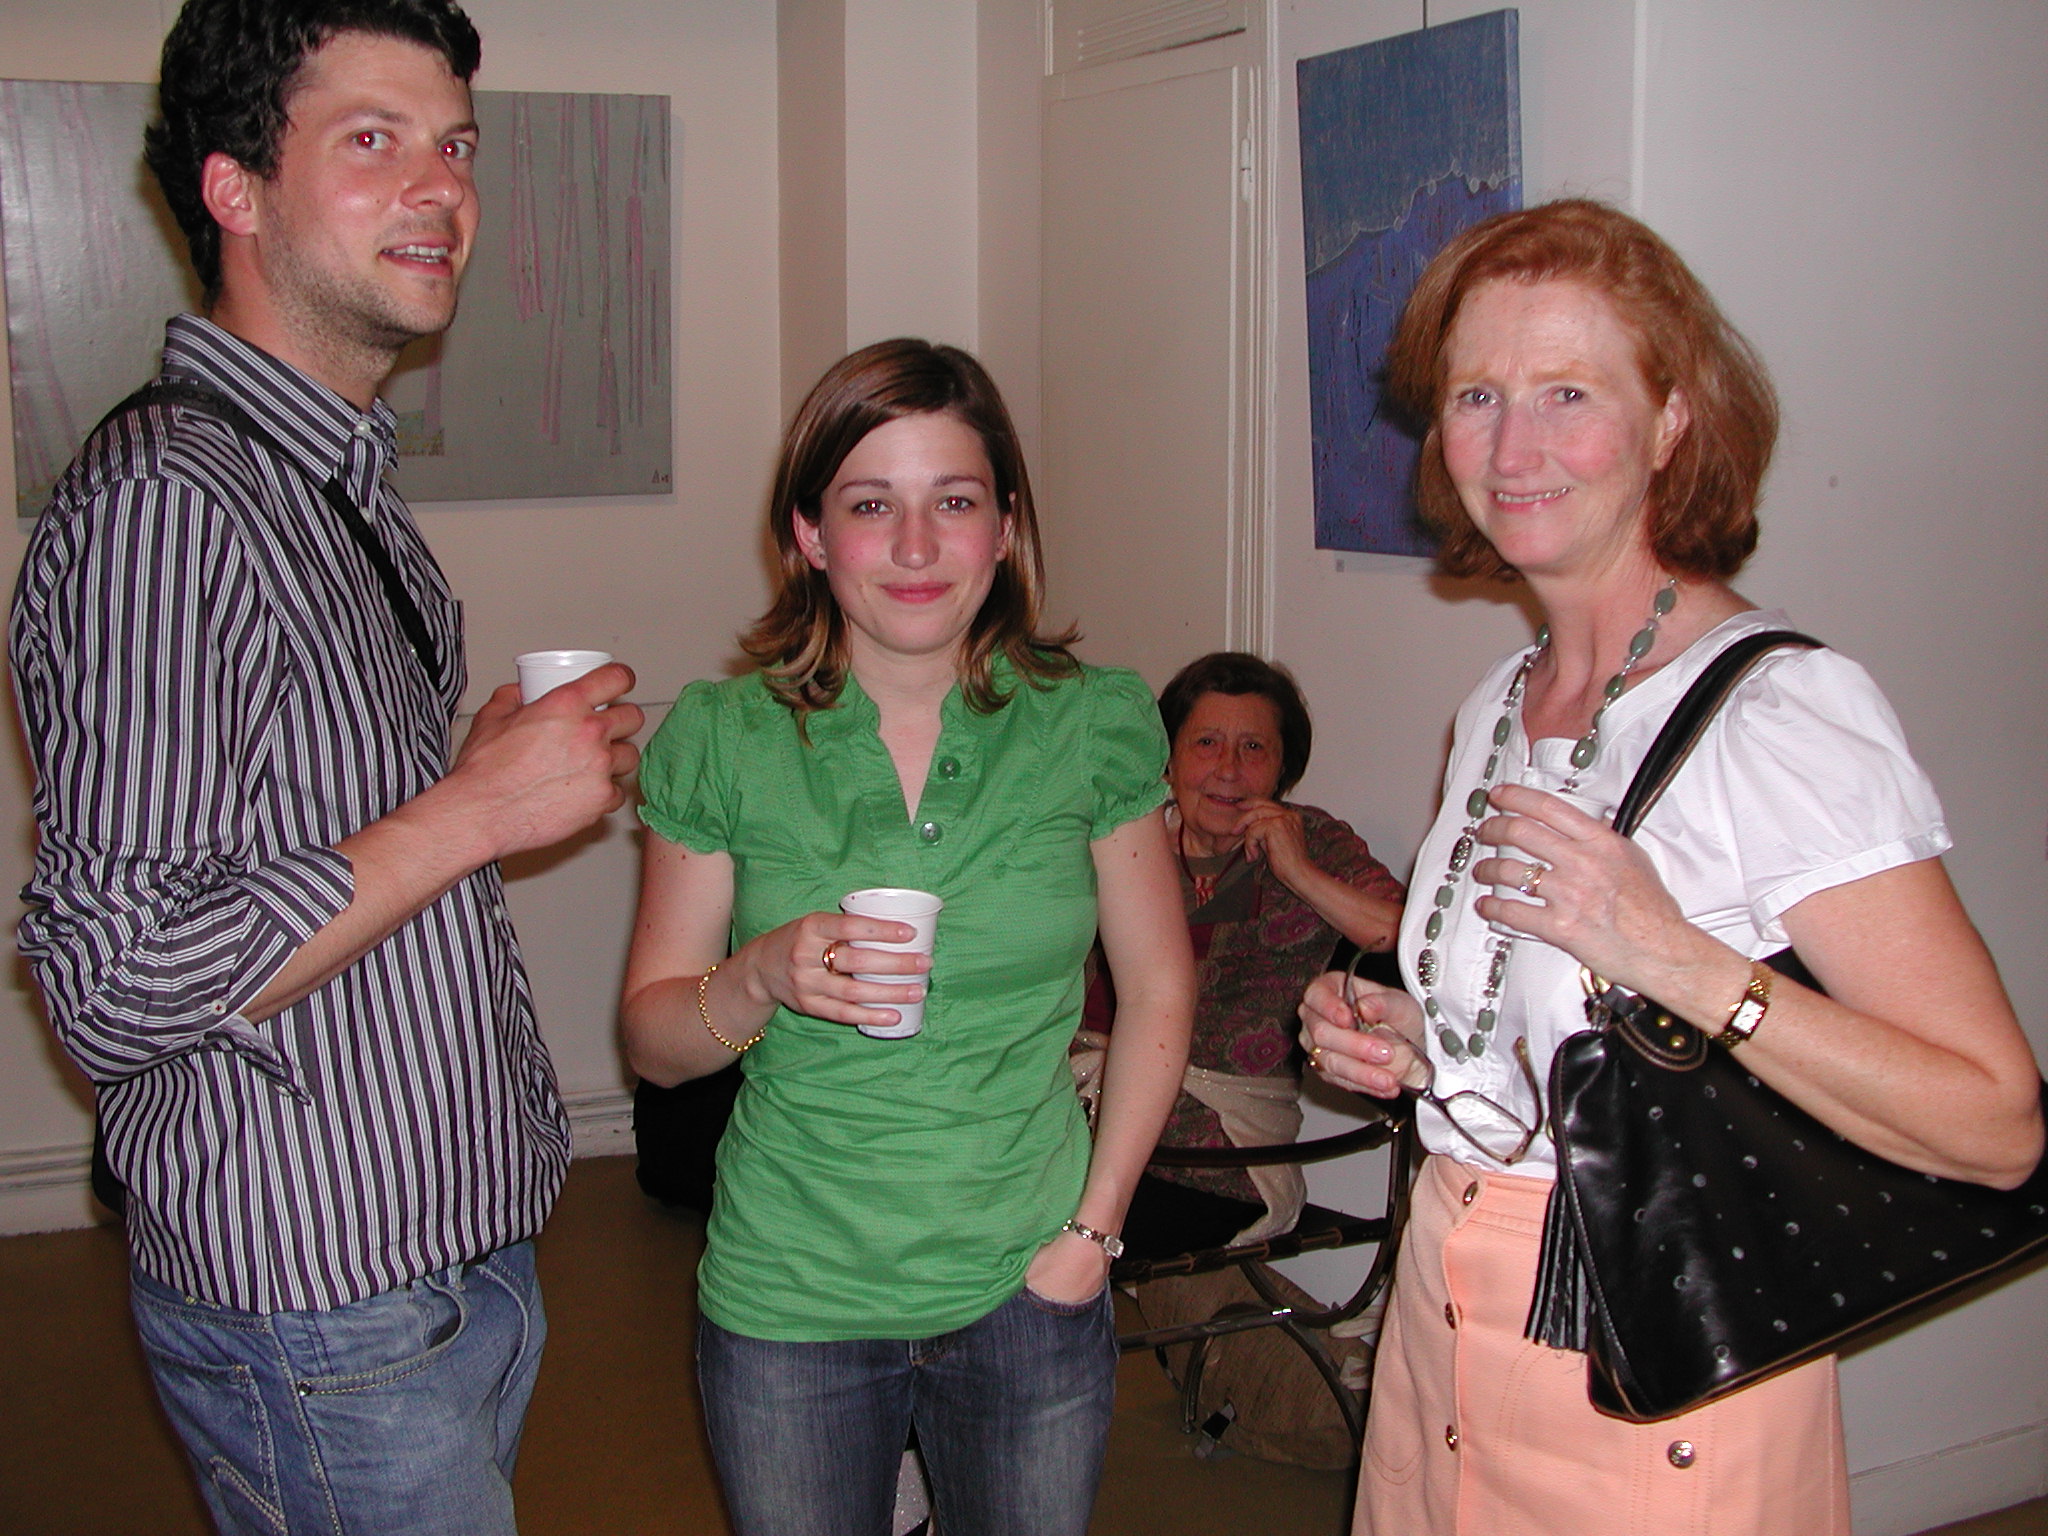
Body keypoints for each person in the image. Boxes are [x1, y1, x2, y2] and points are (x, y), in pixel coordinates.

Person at [1297, 199, 2042, 1536]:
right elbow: (1557, 1039)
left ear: (1671, 422)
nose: (1512, 448)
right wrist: (1419, 1038)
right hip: (1439, 1298)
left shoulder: (1780, 714)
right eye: (1475, 396)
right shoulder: (1498, 702)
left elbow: (1994, 1126)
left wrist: (1675, 959)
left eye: (1567, 393)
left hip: (1646, 1346)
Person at [8, 3, 643, 1532]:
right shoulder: (169, 503)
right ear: (233, 187)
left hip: (437, 1252)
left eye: (457, 146)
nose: (442, 189)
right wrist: (474, 809)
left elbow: (293, 836)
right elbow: (115, 977)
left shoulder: (331, 469)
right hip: (318, 1300)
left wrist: (462, 783)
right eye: (373, 139)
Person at [620, 338, 1195, 1536]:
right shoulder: (723, 737)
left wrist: (1092, 1234)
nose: (919, 548)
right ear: (809, 534)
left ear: (1006, 526)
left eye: (956, 502)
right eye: (872, 505)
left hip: (1028, 1281)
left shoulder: (1092, 723)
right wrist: (759, 974)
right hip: (790, 1294)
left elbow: (1156, 990)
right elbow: (656, 1047)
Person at [1074, 651, 1404, 1259]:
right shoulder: (1126, 835)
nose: (1228, 769)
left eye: (1254, 748)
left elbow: (1411, 940)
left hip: (1222, 1159)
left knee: (1035, 1226)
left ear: (1282, 768)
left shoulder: (1313, 839)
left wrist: (1298, 873)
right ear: (1168, 759)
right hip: (1078, 1121)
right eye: (1206, 743)